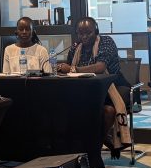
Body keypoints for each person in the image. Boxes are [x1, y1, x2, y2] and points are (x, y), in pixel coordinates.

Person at [56, 17, 132, 157]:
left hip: (112, 87)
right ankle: (100, 140)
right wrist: (62, 69)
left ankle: (93, 149)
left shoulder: (106, 42)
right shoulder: (75, 47)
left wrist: (73, 69)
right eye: (80, 33)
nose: (84, 37)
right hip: (87, 90)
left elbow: (100, 67)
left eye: (88, 33)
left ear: (96, 31)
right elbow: (68, 70)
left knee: (108, 111)